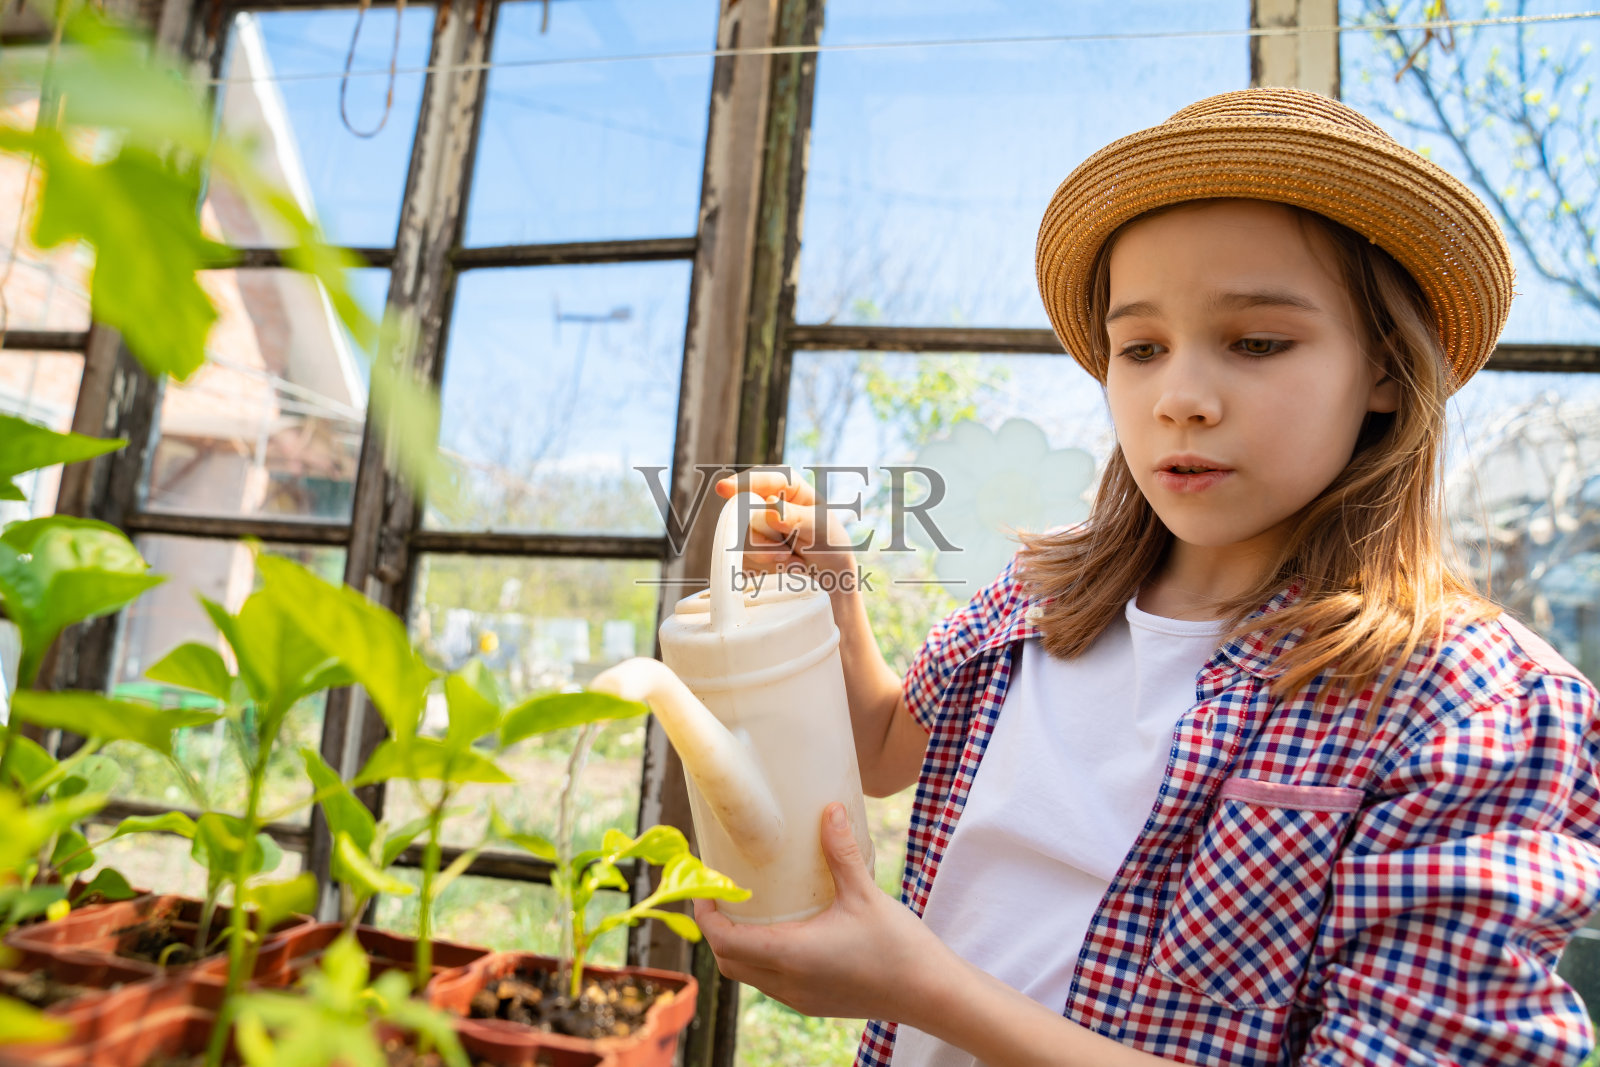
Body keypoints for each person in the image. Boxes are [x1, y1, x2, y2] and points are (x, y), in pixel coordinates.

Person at [694, 87, 1600, 1066]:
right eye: (1140, 347)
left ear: (1383, 369)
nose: (1180, 398)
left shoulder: (1466, 702)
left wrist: (920, 987)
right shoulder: (1041, 593)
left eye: (1256, 340)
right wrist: (829, 586)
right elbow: (881, 747)